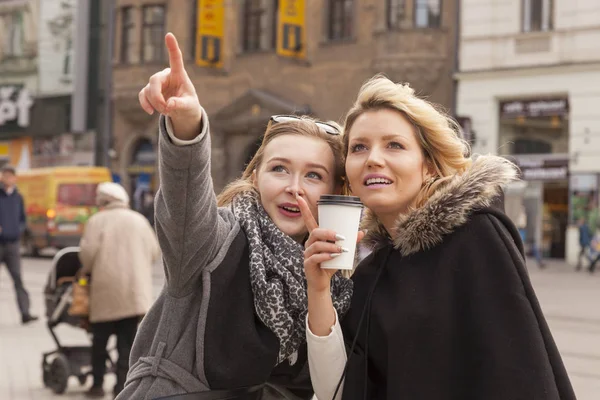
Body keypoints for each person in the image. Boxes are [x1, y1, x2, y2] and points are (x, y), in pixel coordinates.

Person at [301, 75, 576, 400]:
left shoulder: (475, 236)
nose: (373, 158)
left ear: (428, 166)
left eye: (394, 145)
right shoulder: (372, 273)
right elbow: (338, 391)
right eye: (359, 147)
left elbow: (520, 375)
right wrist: (318, 291)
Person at [116, 33, 352, 400]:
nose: (295, 187)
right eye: (279, 169)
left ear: (335, 187)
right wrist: (188, 126)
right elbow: (184, 205)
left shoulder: (339, 267)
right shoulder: (218, 239)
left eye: (313, 175)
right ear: (254, 176)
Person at [79, 182, 160, 398]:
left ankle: (97, 385)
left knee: (100, 341)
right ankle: (121, 387)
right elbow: (154, 252)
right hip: (133, 294)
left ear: (103, 202)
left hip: (105, 292)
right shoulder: (139, 220)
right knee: (128, 343)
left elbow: (86, 257)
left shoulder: (96, 221)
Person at [0, 165, 38, 324]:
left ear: (15, 178)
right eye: (6, 176)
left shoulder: (18, 197)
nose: (8, 179)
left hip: (13, 244)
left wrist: (18, 230)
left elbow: (22, 218)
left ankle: (25, 313)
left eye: (11, 176)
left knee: (18, 279)